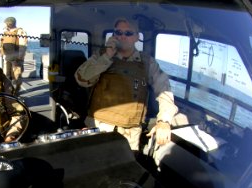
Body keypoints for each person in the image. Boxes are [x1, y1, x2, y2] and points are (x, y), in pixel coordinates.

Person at [74, 18, 178, 151]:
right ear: (114, 35)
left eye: (128, 33)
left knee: (125, 168)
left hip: (130, 133)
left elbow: (164, 90)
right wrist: (107, 56)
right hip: (98, 126)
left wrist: (164, 121)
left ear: (136, 37)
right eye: (118, 32)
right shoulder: (101, 56)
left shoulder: (147, 63)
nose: (122, 36)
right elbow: (81, 79)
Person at [0, 17, 28, 94]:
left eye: (6, 23)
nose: (5, 25)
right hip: (7, 57)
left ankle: (16, 91)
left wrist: (20, 57)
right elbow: (1, 43)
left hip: (16, 58)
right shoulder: (5, 32)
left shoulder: (20, 31)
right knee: (7, 75)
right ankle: (9, 91)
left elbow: (23, 45)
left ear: (10, 23)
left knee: (16, 76)